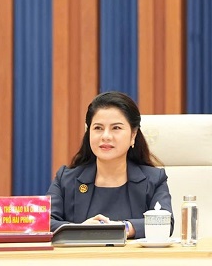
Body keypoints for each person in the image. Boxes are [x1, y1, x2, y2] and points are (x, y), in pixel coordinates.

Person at [47, 91, 174, 239]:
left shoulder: (154, 179)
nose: (106, 136)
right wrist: (81, 230)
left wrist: (122, 228)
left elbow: (165, 223)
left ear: (133, 135)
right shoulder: (65, 180)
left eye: (116, 128)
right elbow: (44, 223)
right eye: (98, 128)